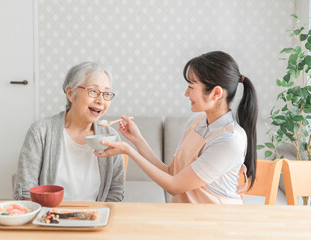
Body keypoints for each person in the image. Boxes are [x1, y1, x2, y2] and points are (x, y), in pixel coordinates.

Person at [95, 51, 258, 204]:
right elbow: (172, 174)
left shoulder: (230, 141)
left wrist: (128, 151)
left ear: (216, 94)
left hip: (215, 225)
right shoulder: (197, 122)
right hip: (185, 216)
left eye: (191, 87)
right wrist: (136, 140)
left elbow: (174, 186)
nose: (186, 94)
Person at [14, 62, 125, 202]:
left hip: (96, 220)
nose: (101, 101)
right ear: (71, 93)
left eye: (106, 94)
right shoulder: (40, 132)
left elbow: (115, 195)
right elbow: (25, 191)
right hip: (48, 219)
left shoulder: (111, 137)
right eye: (93, 91)